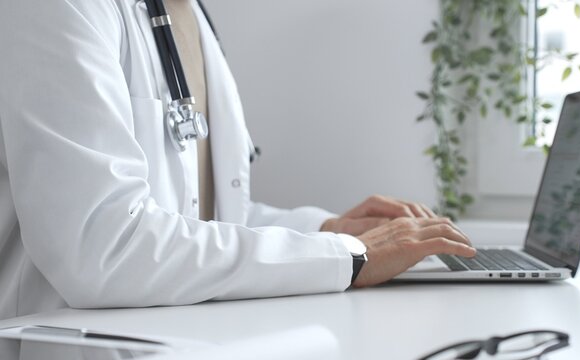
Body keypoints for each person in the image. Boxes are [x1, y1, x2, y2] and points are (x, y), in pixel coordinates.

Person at [0, 0, 476, 321]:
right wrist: (349, 258)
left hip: (177, 334)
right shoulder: (57, 8)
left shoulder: (187, 14)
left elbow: (200, 219)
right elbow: (104, 247)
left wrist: (326, 230)